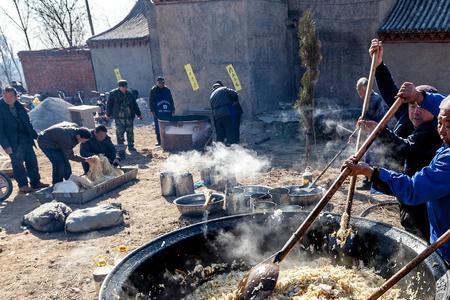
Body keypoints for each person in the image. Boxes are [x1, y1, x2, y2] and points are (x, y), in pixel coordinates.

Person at [344, 95, 450, 263]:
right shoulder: (445, 148)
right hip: (439, 231)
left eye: (448, 125)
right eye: (440, 122)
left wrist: (370, 172)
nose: (442, 130)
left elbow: (413, 190)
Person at [360, 40, 446, 239]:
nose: (415, 111)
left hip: (423, 199)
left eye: (421, 106)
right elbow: (392, 95)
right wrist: (379, 65)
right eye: (412, 106)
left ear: (435, 112)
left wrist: (380, 130)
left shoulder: (434, 131)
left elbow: (405, 149)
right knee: (409, 226)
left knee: (424, 240)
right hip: (405, 194)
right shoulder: (409, 118)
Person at [0, 86, 48, 193]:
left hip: (25, 138)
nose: (8, 98)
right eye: (5, 96)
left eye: (11, 96)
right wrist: (6, 146)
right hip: (12, 142)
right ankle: (23, 186)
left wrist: (35, 135)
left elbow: (27, 123)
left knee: (32, 161)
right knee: (18, 164)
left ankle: (35, 182)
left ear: (16, 97)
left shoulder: (20, 106)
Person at [107, 80, 143, 152]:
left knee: (130, 132)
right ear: (119, 87)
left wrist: (139, 114)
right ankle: (121, 148)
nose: (125, 88)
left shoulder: (129, 94)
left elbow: (134, 105)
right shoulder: (113, 94)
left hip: (129, 117)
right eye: (123, 87)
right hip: (119, 118)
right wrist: (108, 114)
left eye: (126, 87)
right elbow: (109, 105)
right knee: (120, 133)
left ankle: (131, 146)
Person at [149, 76, 175, 146]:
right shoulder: (153, 90)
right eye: (160, 83)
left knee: (168, 125)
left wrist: (172, 108)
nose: (161, 84)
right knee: (158, 126)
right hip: (158, 111)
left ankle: (169, 140)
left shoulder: (167, 90)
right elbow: (151, 101)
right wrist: (152, 110)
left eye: (162, 83)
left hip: (167, 111)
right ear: (157, 83)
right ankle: (159, 141)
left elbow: (171, 100)